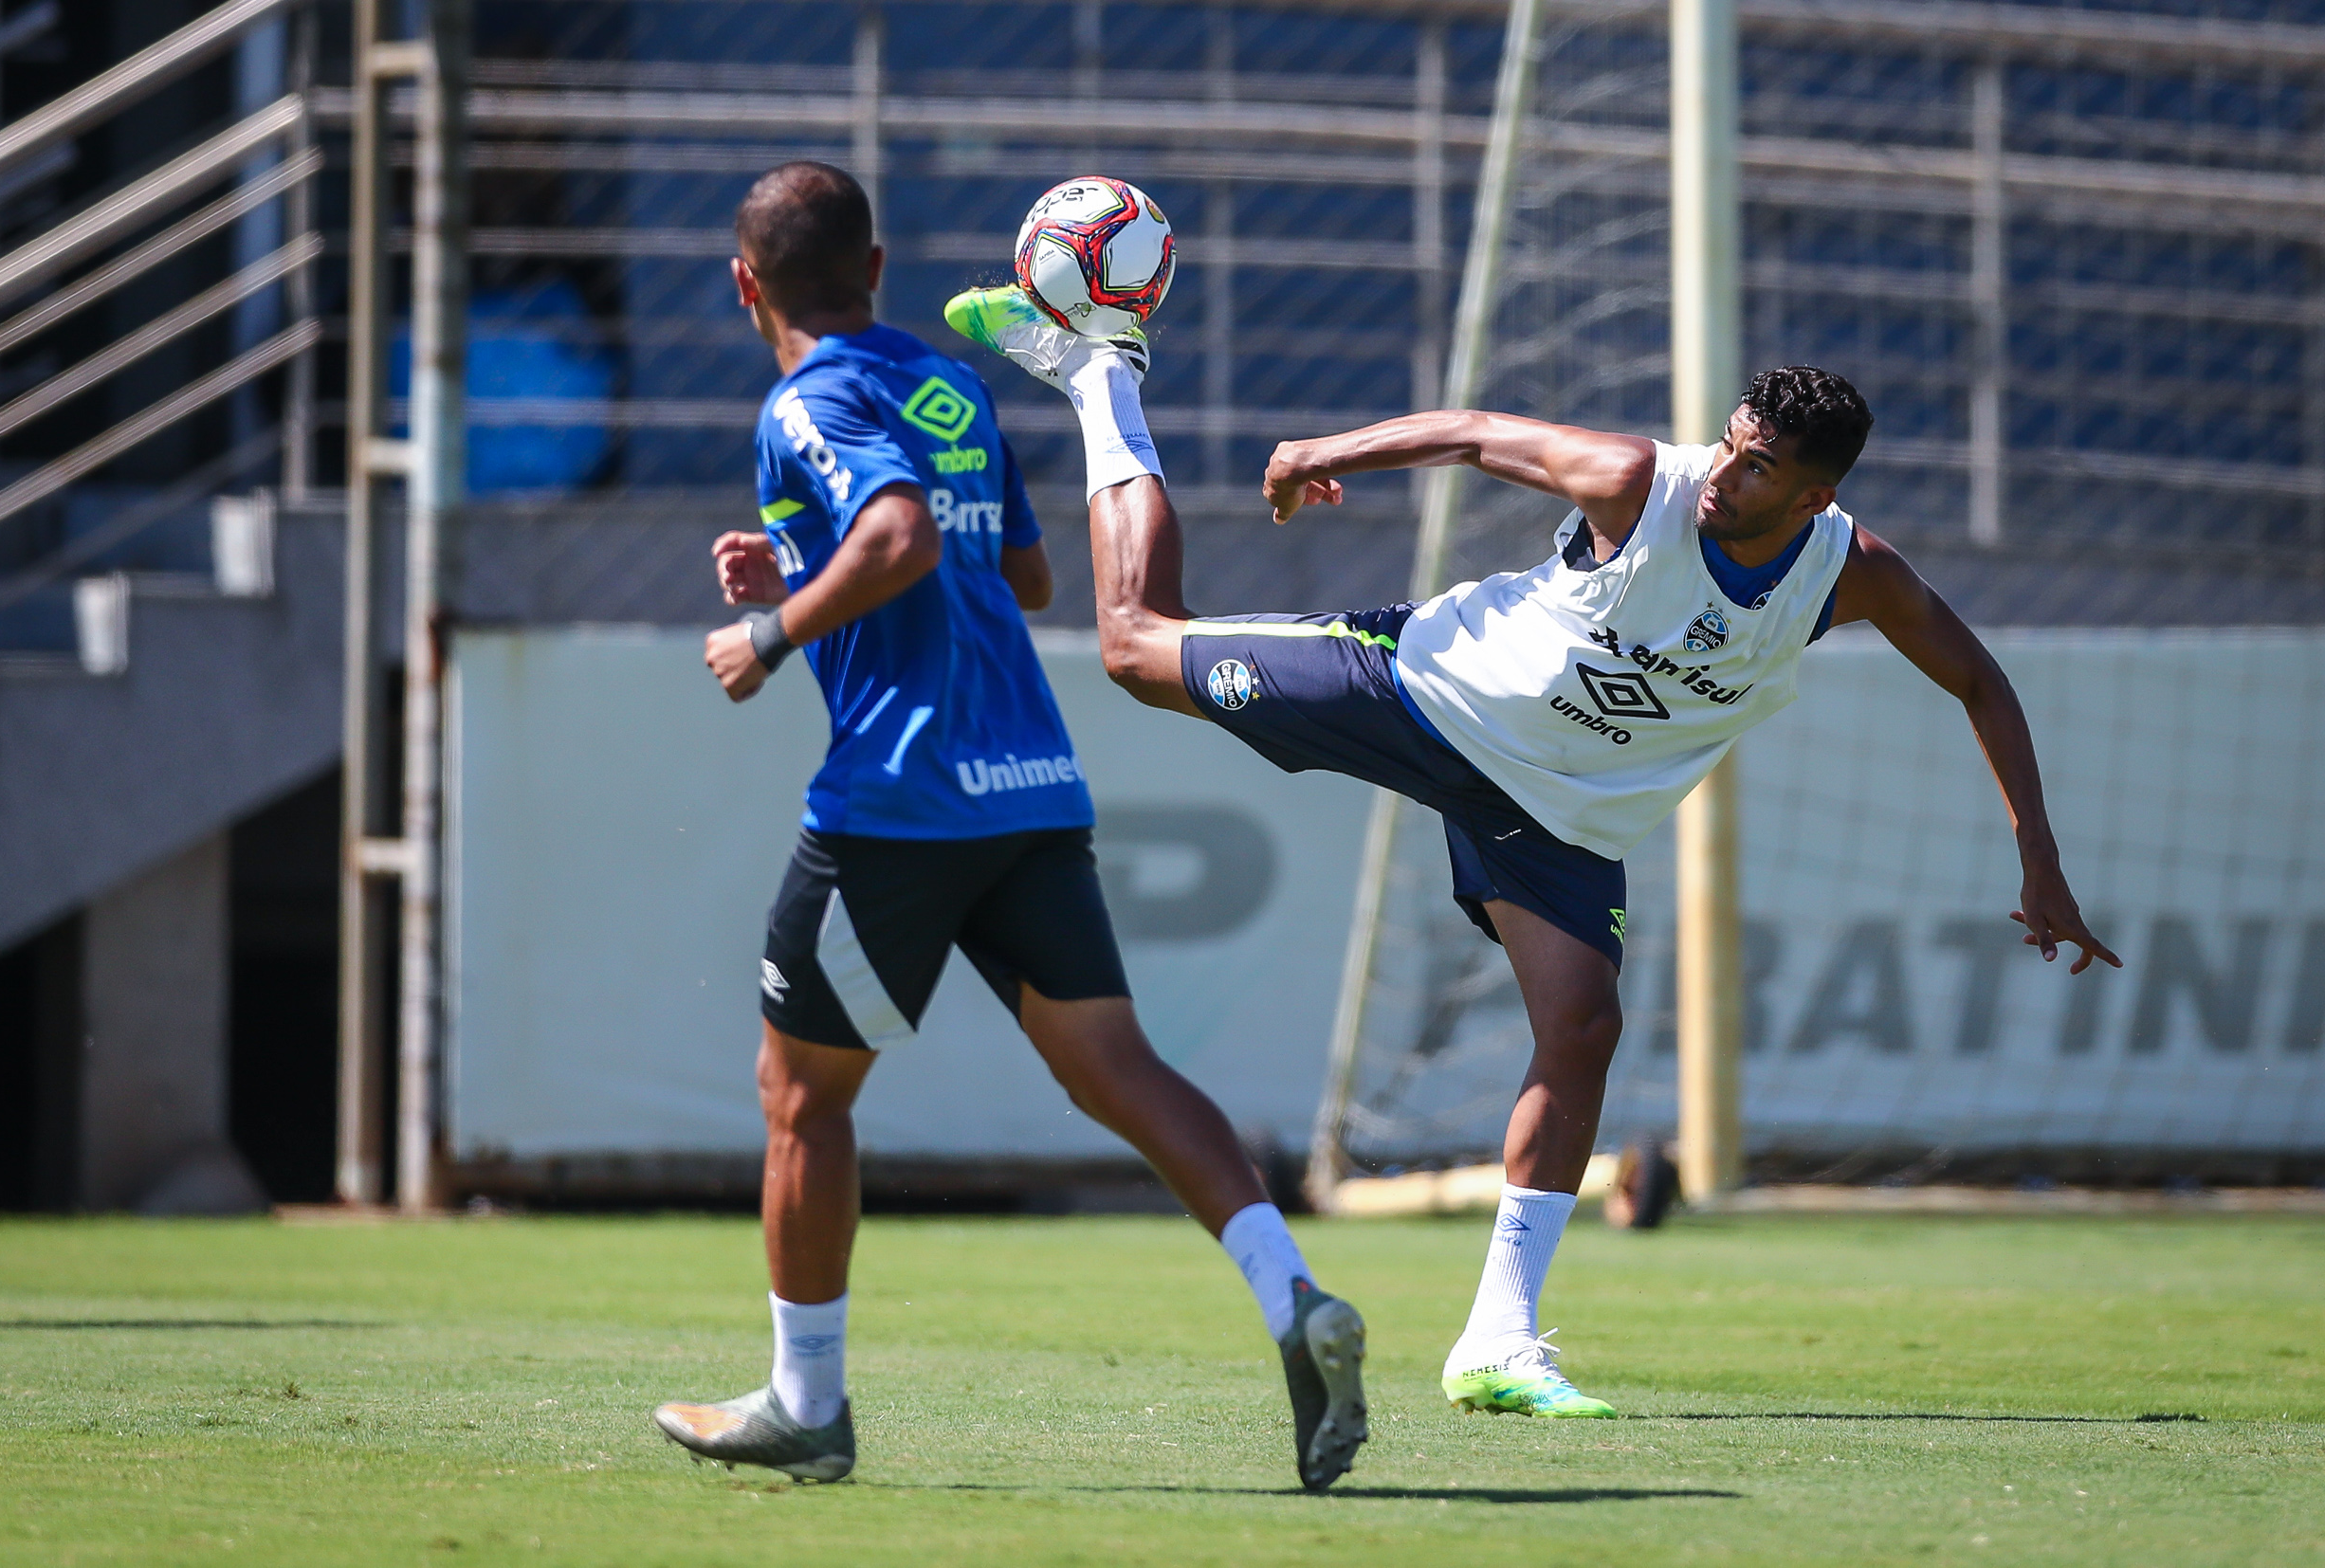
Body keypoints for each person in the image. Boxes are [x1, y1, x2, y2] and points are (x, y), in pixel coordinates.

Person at [943, 282, 2122, 1422]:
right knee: (1134, 645)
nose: (1724, 471)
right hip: (1417, 691)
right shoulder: (1638, 484)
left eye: (1758, 466)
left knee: (1584, 1026)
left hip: (1555, 813)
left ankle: (1495, 1340)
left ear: (1815, 497)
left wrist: (2040, 863)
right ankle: (1101, 373)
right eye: (1727, 442)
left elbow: (1978, 679)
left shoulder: (1846, 573)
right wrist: (1321, 451)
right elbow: (1469, 433)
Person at [650, 163, 1367, 1491]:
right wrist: (808, 564)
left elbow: (906, 536)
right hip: (1029, 779)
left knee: (800, 1098)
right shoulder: (947, 384)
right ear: (876, 269)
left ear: (746, 285)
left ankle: (807, 1403)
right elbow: (1016, 570)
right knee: (1120, 1069)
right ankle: (1293, 1296)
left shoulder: (804, 397)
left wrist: (772, 624)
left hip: (902, 800)